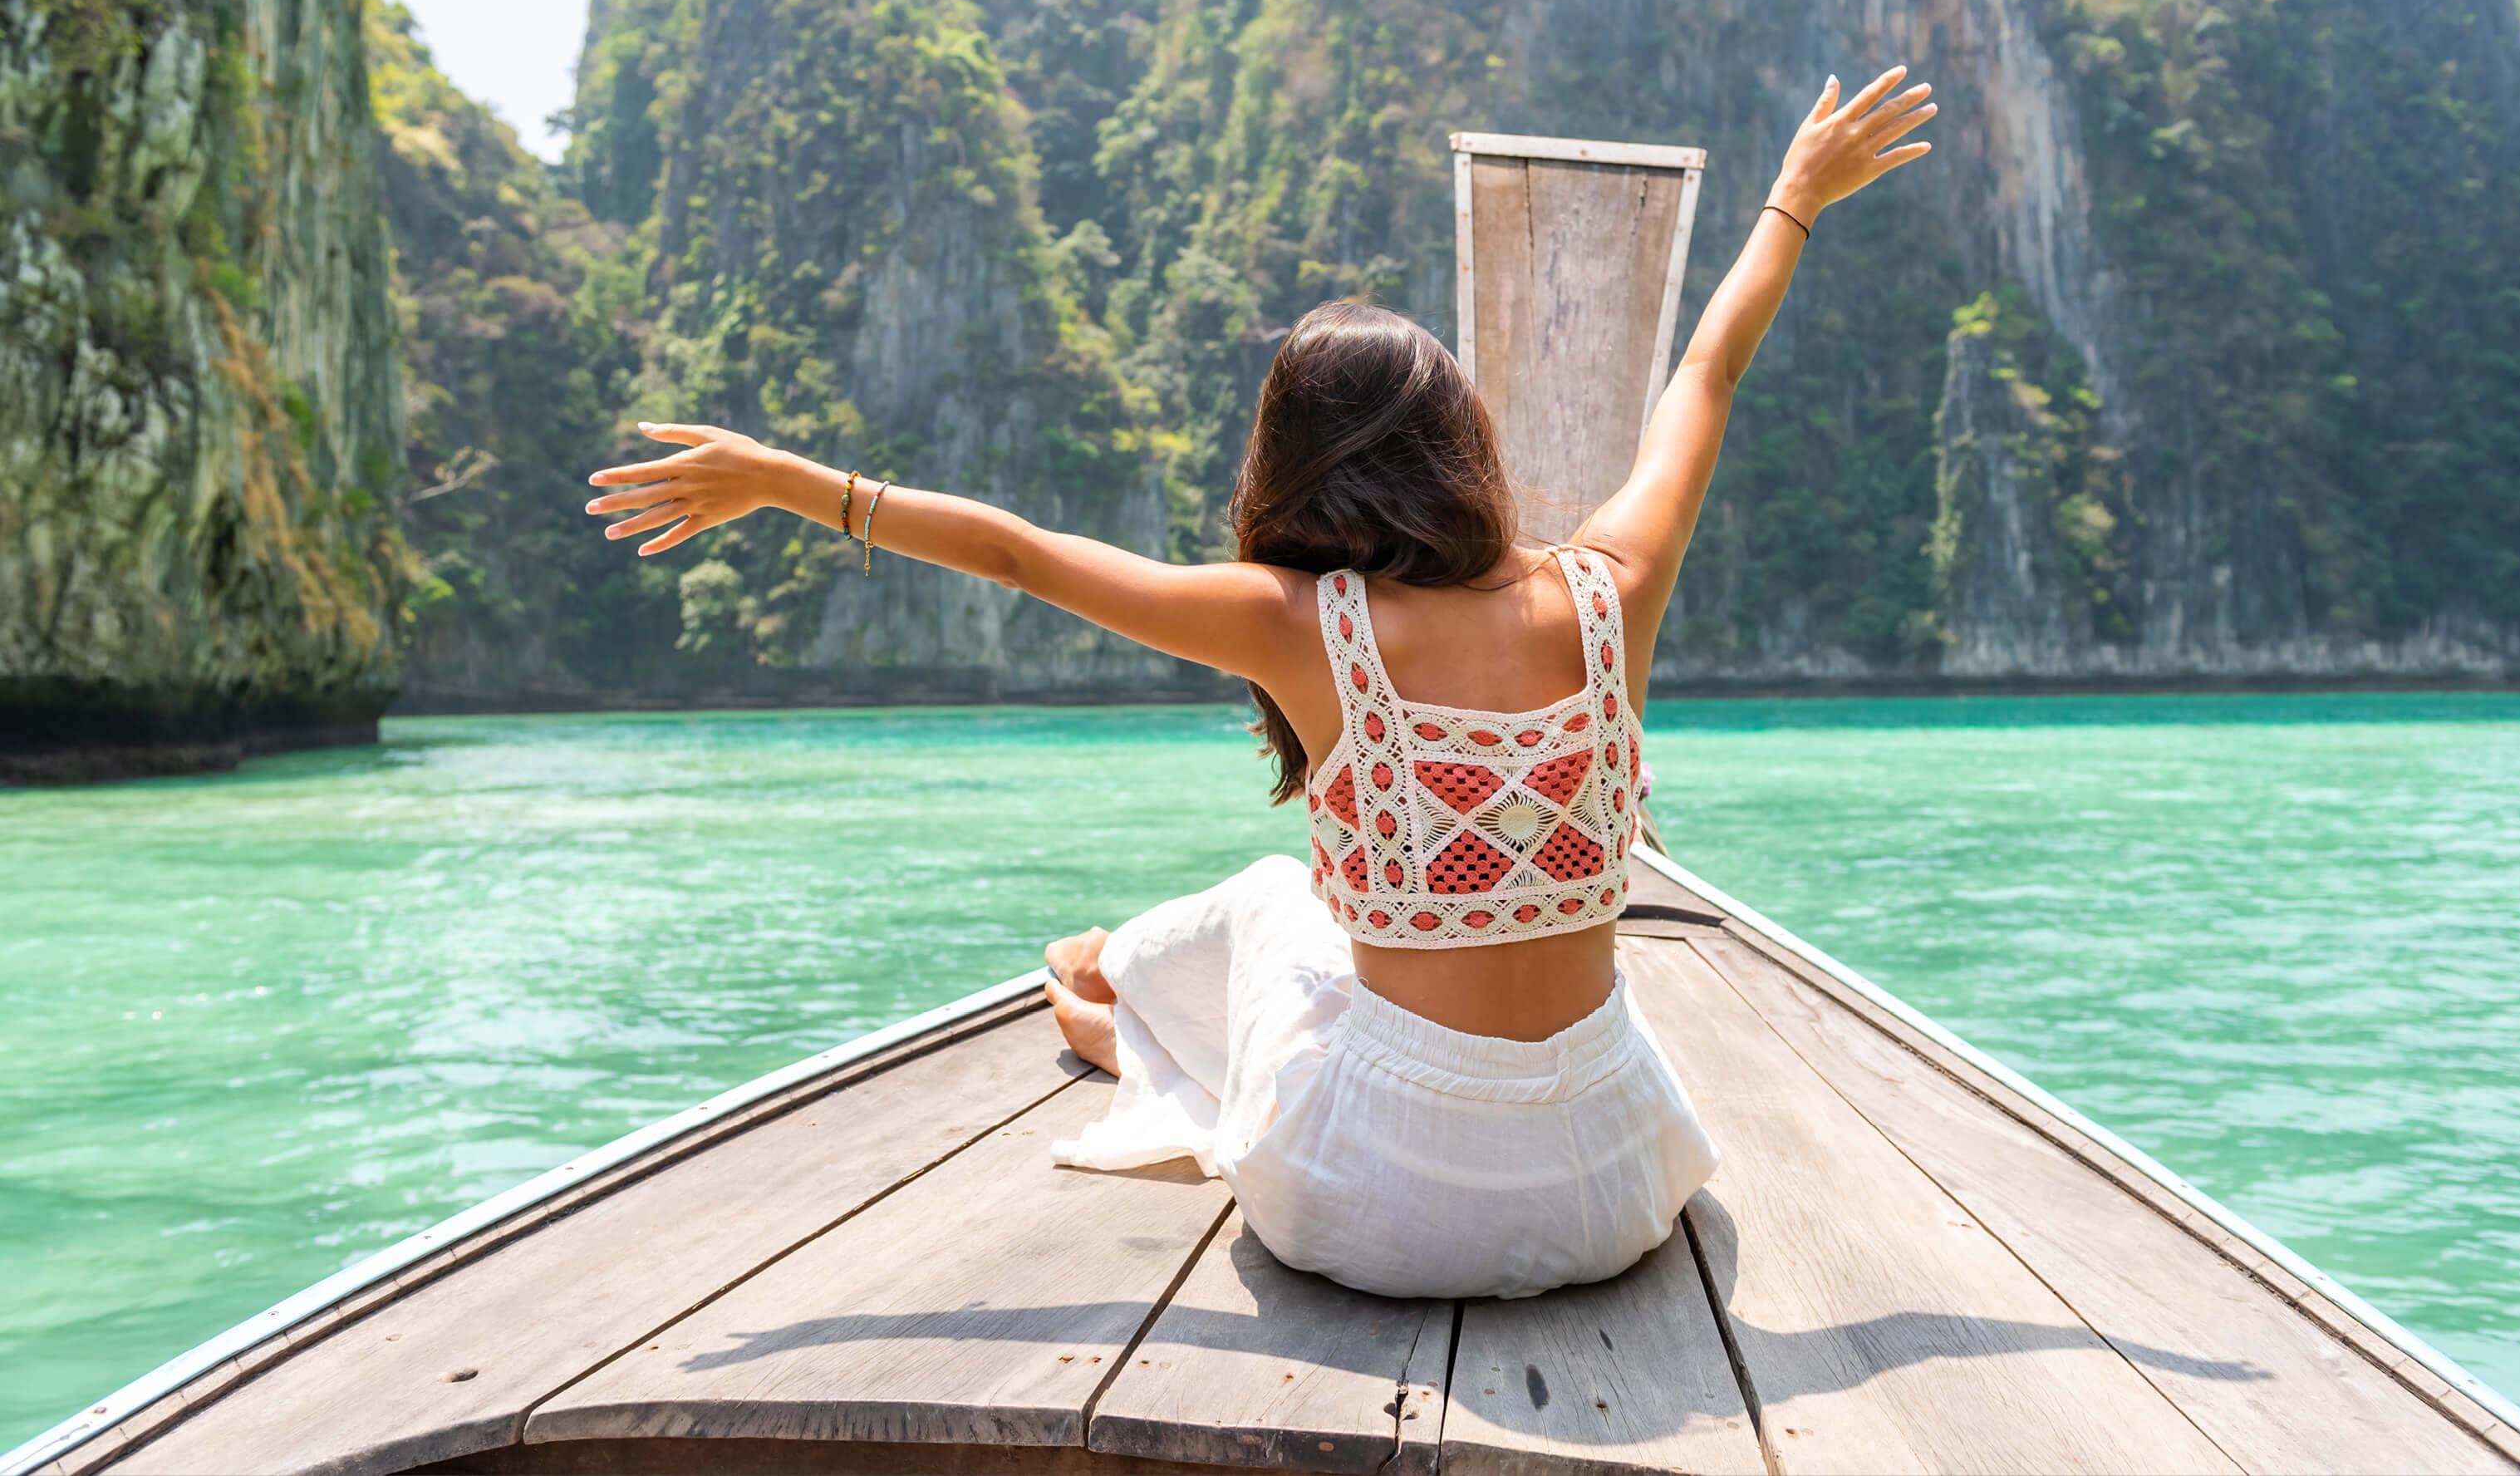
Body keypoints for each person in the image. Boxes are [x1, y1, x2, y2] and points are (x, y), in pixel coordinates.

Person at [585, 67, 1938, 1298]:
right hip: (1622, 1178)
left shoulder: (1299, 621)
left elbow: (1017, 552)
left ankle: (1113, 992)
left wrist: (785, 481)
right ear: (1467, 445)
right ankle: (1121, 995)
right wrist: (1794, 198)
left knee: (1272, 899)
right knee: (1313, 942)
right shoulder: (1610, 588)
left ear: (1291, 466)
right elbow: (1707, 370)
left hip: (1387, 1209)